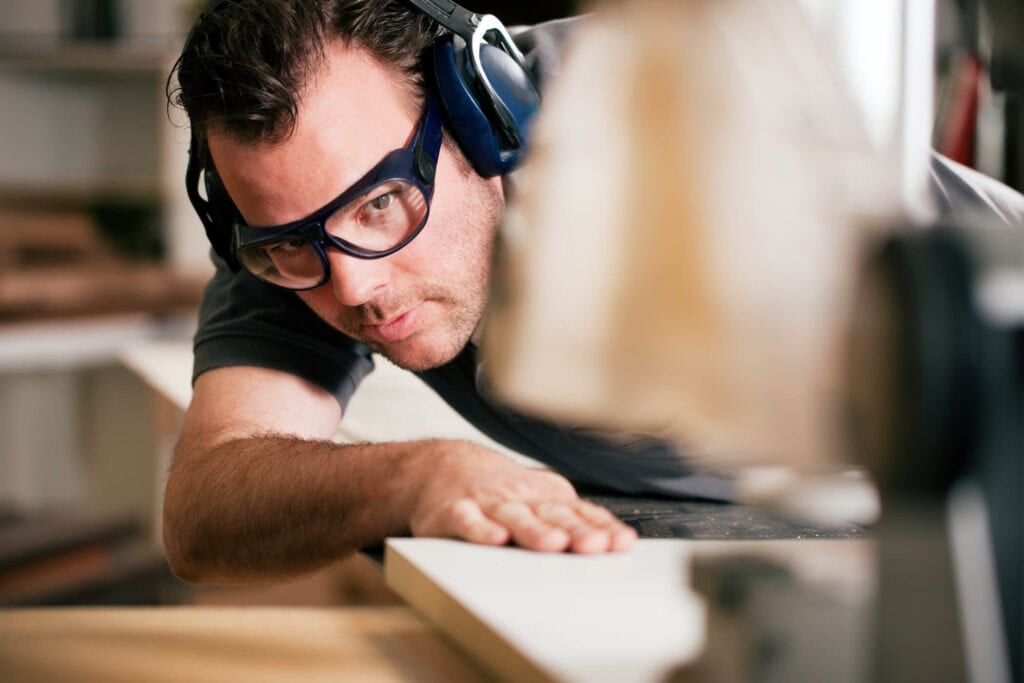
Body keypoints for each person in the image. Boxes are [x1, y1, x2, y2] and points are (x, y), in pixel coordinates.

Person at [165, 0, 1023, 585]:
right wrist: (413, 474)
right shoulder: (299, 242)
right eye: (289, 244)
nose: (354, 283)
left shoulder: (660, 118)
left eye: (382, 202)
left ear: (483, 115)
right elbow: (207, 507)